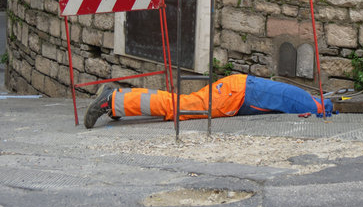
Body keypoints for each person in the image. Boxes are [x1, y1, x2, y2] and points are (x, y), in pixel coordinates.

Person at [84, 74, 333, 129]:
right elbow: (319, 113)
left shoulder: (305, 99)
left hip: (235, 91)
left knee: (178, 104)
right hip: (233, 96)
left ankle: (118, 101)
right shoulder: (310, 105)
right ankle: (112, 99)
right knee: (176, 107)